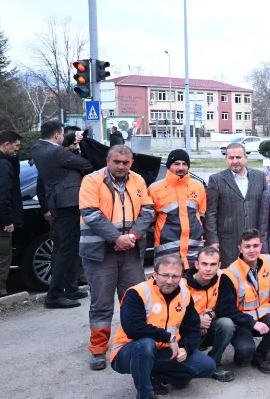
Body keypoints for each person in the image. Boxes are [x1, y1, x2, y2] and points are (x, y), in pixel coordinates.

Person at [109, 255, 215, 399]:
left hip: (164, 352)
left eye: (175, 276)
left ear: (181, 276)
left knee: (207, 366)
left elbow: (192, 328)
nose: (170, 281)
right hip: (129, 352)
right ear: (154, 275)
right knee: (146, 344)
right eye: (165, 275)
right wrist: (168, 337)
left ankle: (154, 375)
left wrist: (186, 349)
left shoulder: (184, 294)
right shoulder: (137, 293)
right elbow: (132, 328)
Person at [80, 145, 155, 370]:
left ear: (131, 162)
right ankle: (98, 349)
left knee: (134, 300)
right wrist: (116, 238)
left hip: (131, 251)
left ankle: (132, 342)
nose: (121, 166)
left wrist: (133, 236)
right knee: (101, 303)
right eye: (117, 162)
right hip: (100, 253)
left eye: (125, 162)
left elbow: (148, 211)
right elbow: (90, 214)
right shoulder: (91, 180)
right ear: (108, 161)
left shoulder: (138, 180)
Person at [31, 120, 93, 308]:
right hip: (67, 204)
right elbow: (86, 164)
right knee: (66, 250)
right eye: (62, 135)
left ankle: (71, 289)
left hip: (58, 203)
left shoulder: (38, 148)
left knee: (70, 248)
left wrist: (72, 141)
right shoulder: (57, 152)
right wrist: (77, 148)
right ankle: (54, 296)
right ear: (57, 135)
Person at [215, 229, 270, 374]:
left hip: (264, 314)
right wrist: (252, 323)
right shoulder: (230, 273)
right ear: (240, 248)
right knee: (245, 352)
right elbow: (224, 308)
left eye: (255, 246)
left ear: (261, 246)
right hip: (242, 320)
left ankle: (260, 356)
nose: (252, 250)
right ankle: (244, 354)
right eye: (247, 246)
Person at [204, 142, 265, 267]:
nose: (235, 161)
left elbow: (265, 209)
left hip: (254, 241)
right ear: (226, 159)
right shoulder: (216, 179)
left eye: (238, 157)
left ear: (246, 158)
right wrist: (213, 240)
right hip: (228, 243)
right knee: (231, 275)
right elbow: (211, 213)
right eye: (231, 158)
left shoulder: (260, 177)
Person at [149, 149, 208, 270]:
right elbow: (149, 220)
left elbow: (202, 216)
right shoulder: (154, 189)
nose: (181, 168)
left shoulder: (198, 187)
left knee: (193, 282)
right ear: (169, 166)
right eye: (176, 164)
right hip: (167, 251)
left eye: (184, 164)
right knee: (168, 281)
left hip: (194, 251)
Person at [184, 245, 235, 382]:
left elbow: (226, 307)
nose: (208, 269)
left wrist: (209, 315)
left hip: (209, 326)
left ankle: (214, 363)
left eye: (213, 264)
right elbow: (175, 315)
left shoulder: (222, 278)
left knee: (227, 324)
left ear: (219, 265)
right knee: (183, 380)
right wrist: (197, 321)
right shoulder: (183, 284)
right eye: (204, 264)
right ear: (197, 264)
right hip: (188, 331)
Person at [0, 130, 23, 297]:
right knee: (2, 258)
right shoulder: (2, 164)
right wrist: (7, 220)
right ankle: (0, 294)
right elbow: (2, 196)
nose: (17, 150)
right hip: (0, 222)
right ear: (7, 144)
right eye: (16, 146)